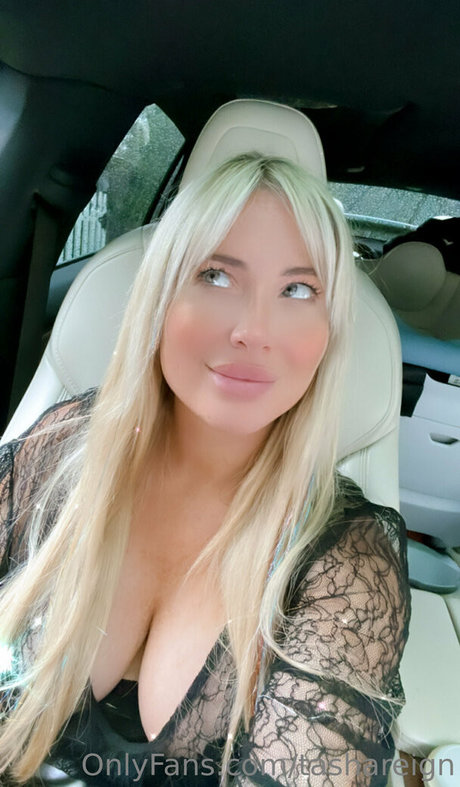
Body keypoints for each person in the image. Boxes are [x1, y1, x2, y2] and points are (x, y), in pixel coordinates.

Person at [0, 152, 410, 786]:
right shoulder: (61, 449)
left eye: (298, 289)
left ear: (330, 330)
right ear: (161, 296)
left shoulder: (343, 563)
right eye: (216, 275)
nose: (253, 330)